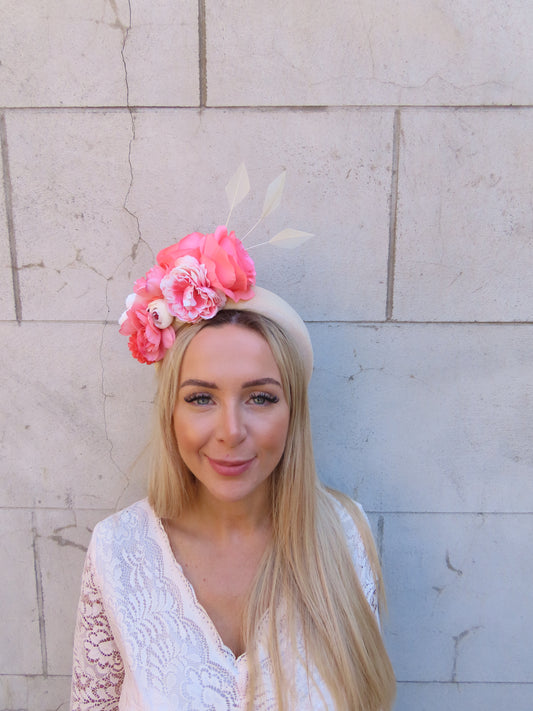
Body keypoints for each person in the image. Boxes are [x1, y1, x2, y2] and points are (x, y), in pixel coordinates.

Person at [70, 224, 396, 710]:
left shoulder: (344, 538)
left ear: (294, 413)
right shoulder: (117, 552)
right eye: (201, 397)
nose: (231, 431)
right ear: (171, 413)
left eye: (260, 397)